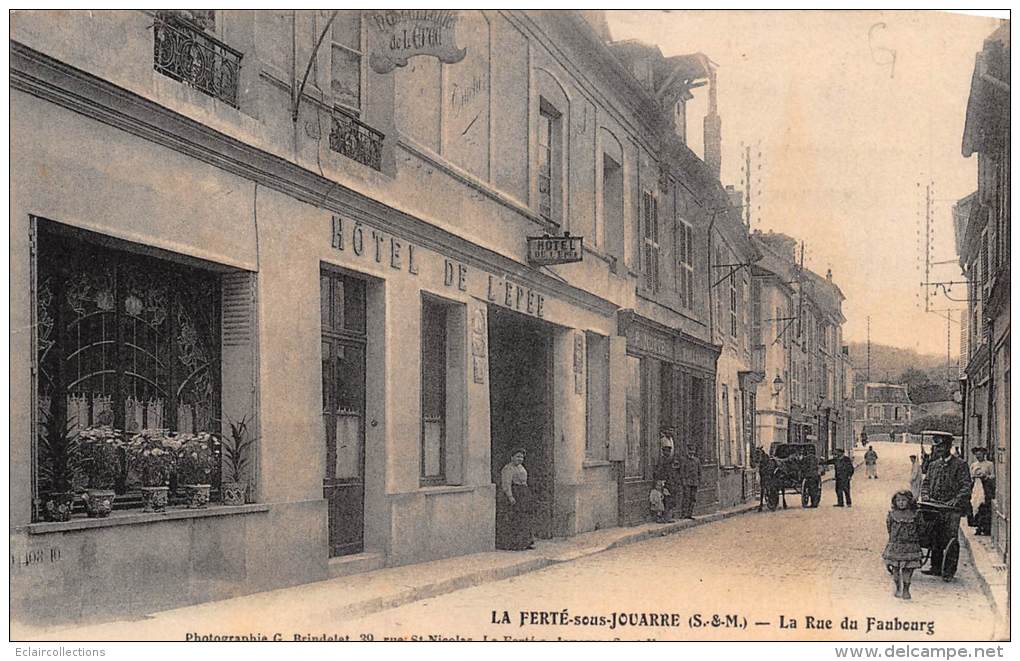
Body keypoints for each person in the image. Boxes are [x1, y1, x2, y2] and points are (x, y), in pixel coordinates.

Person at [921, 434, 972, 580]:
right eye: (936, 447)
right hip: (933, 506)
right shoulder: (933, 465)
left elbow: (966, 486)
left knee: (949, 537)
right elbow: (926, 483)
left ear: (949, 447)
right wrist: (925, 496)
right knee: (933, 534)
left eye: (941, 446)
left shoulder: (960, 465)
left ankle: (948, 568)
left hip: (951, 509)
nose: (938, 449)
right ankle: (935, 567)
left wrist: (955, 500)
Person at [883, 490, 923, 600]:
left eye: (904, 500)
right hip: (896, 545)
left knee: (908, 569)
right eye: (898, 500)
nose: (901, 503)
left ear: (909, 502)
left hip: (910, 546)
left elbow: (920, 528)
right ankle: (897, 587)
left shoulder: (915, 514)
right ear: (894, 502)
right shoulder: (892, 515)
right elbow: (889, 528)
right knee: (895, 569)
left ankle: (906, 589)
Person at [497, 447, 534, 551]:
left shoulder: (521, 467)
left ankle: (525, 542)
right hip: (515, 493)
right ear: (512, 457)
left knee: (525, 518)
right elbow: (506, 484)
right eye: (517, 457)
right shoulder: (508, 468)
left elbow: (524, 481)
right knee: (516, 518)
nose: (520, 459)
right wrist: (510, 496)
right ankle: (515, 543)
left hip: (523, 493)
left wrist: (527, 494)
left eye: (522, 457)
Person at [653, 429, 681, 522]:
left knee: (669, 499)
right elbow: (660, 471)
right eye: (666, 452)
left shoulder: (669, 460)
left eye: (668, 452)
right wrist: (661, 481)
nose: (667, 453)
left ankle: (668, 517)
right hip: (662, 481)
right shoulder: (662, 460)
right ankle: (662, 517)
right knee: (661, 499)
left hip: (669, 481)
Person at [969, 447, 995, 535]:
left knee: (985, 507)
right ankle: (978, 527)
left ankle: (986, 528)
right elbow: (970, 477)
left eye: (980, 454)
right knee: (975, 505)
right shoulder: (973, 465)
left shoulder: (989, 464)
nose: (978, 456)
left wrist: (985, 476)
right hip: (976, 487)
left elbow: (993, 476)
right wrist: (974, 477)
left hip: (986, 488)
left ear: (984, 454)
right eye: (976, 454)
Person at [678, 444, 701, 519]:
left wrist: (699, 480)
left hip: (694, 482)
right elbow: (681, 472)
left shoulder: (697, 460)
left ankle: (690, 514)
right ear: (687, 451)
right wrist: (683, 481)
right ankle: (683, 514)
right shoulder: (684, 460)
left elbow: (699, 472)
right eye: (690, 451)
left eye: (693, 451)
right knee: (686, 498)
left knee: (693, 498)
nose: (691, 453)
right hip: (687, 482)